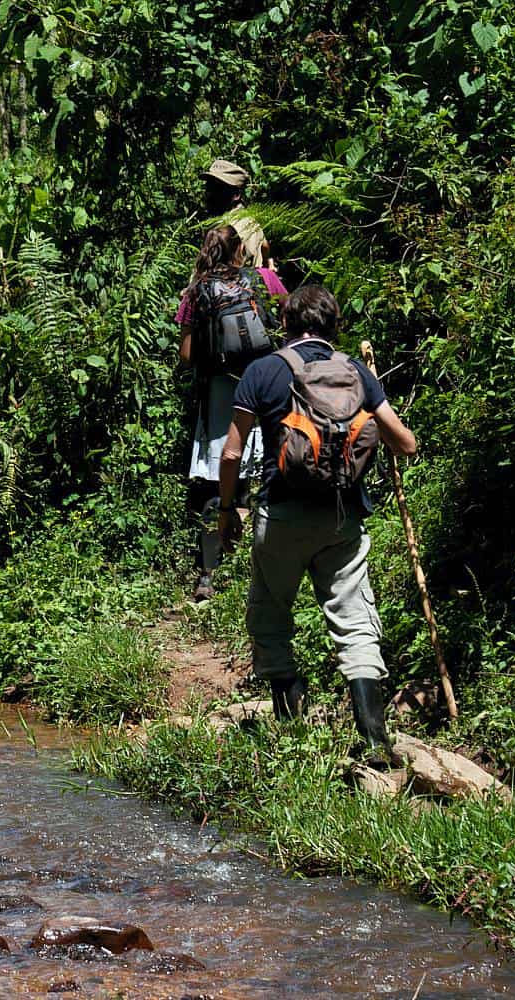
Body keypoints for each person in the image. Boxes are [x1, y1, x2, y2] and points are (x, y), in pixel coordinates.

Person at [217, 285, 417, 759]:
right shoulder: (356, 372)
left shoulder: (262, 372)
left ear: (285, 324)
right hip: (341, 518)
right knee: (354, 621)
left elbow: (230, 452)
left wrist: (227, 510)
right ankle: (373, 737)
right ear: (333, 324)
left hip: (280, 515)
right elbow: (405, 444)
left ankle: (290, 725)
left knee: (270, 614)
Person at [176, 225, 288, 601]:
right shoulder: (265, 279)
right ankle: (261, 570)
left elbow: (187, 357)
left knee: (215, 481)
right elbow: (290, 323)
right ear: (241, 251)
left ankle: (209, 575)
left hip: (221, 393)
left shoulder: (195, 292)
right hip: (266, 388)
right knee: (263, 481)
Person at [202, 159, 271, 270]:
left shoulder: (235, 228)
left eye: (217, 189)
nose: (208, 193)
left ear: (236, 195)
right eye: (208, 187)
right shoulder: (239, 220)